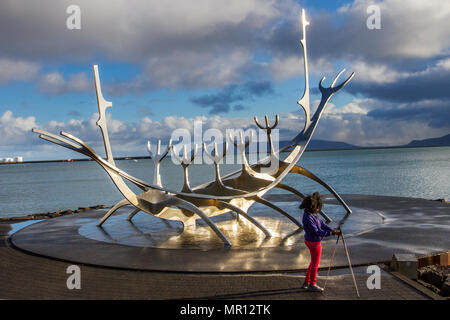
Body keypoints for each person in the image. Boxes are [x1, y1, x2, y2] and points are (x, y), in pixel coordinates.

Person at [300, 192, 341, 292]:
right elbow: (317, 231)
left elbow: (322, 224)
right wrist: (331, 233)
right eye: (318, 207)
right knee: (315, 264)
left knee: (312, 262)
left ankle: (306, 281)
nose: (319, 209)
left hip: (310, 241)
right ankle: (312, 284)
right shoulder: (308, 218)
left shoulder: (310, 215)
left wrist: (332, 230)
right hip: (314, 242)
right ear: (313, 207)